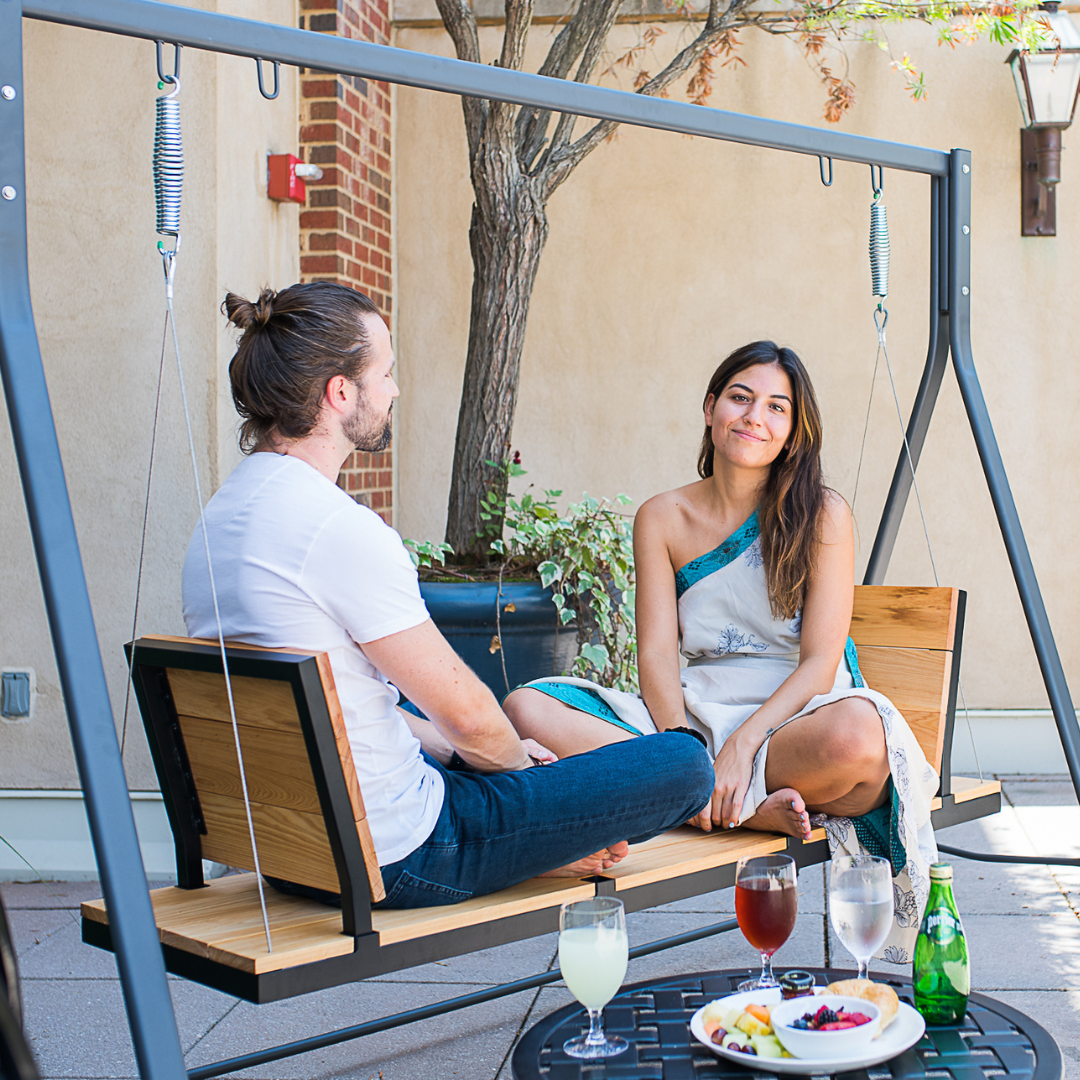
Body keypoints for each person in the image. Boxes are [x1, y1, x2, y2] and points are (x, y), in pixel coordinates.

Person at [181, 282, 714, 910]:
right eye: (386, 372)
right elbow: (471, 720)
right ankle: (544, 848)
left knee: (464, 748)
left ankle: (544, 838)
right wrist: (533, 798)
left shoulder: (220, 520)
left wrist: (457, 754)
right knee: (683, 762)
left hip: (294, 849)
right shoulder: (335, 529)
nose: (395, 390)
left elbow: (333, 710)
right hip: (407, 852)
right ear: (340, 392)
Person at [504, 341, 939, 962]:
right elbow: (655, 655)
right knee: (526, 709)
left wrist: (742, 746)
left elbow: (820, 662)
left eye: (776, 407)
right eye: (740, 397)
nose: (754, 416)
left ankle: (697, 797)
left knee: (860, 742)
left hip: (797, 714)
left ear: (792, 432)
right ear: (711, 408)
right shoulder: (663, 516)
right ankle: (727, 806)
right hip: (695, 714)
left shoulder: (822, 514)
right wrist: (682, 750)